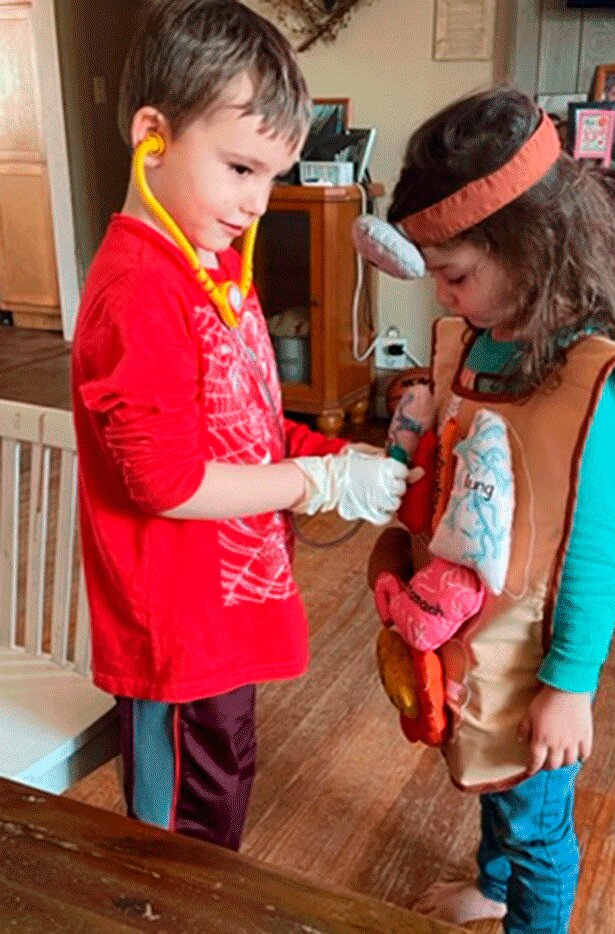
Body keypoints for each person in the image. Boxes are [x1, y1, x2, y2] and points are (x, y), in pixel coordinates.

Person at [71, 0, 413, 852]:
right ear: (152, 137)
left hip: (222, 622)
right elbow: (170, 481)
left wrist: (347, 458)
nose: (259, 202)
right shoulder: (137, 292)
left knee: (217, 803)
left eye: (274, 175)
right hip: (176, 640)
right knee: (176, 845)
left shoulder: (214, 270)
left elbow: (251, 427)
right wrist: (321, 482)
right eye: (240, 169)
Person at [369, 88, 615, 932]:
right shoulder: (475, 341)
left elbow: (589, 558)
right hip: (483, 625)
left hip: (543, 644)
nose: (444, 299)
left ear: (532, 250)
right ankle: (494, 883)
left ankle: (523, 903)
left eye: (456, 275)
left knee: (538, 816)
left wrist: (569, 687)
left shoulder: (590, 388)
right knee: (490, 760)